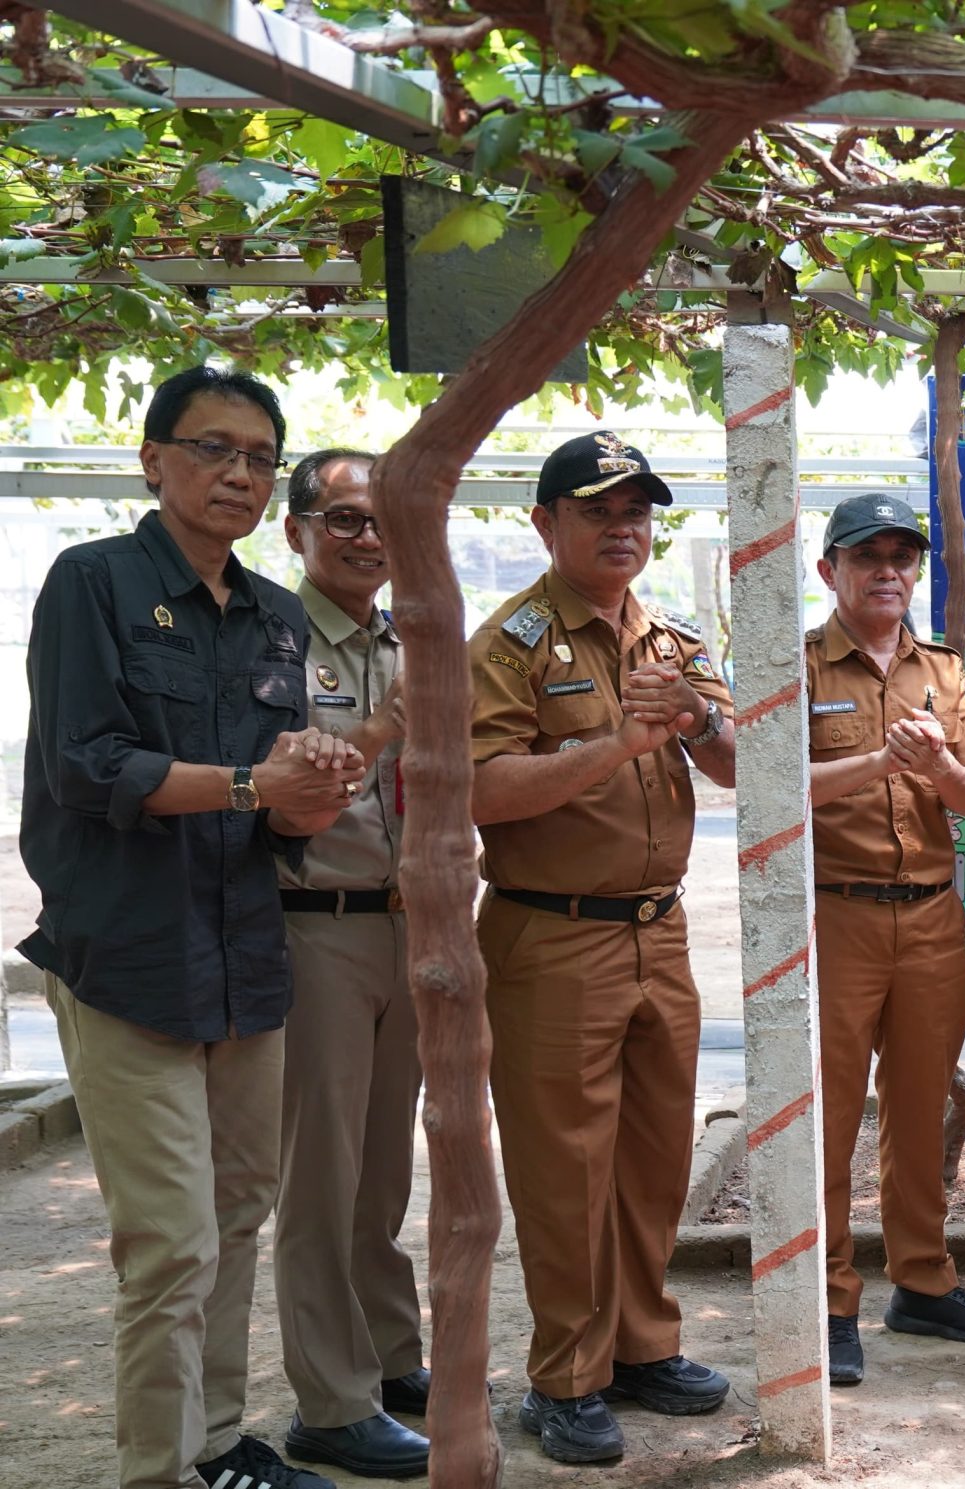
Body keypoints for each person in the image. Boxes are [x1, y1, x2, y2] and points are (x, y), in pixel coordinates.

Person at [21, 366, 365, 1489]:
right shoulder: (94, 583)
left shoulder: (275, 615)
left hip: (244, 957)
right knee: (170, 1241)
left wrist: (313, 786)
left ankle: (217, 1447)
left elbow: (278, 808)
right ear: (153, 460)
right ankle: (157, 1472)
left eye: (259, 458)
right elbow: (87, 767)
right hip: (127, 960)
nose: (239, 474)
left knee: (238, 1210)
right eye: (213, 448)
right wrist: (255, 786)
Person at [468, 432, 738, 1464]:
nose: (623, 529)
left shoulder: (673, 639)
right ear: (546, 524)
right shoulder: (511, 644)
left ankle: (641, 1345)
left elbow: (733, 763)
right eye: (597, 511)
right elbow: (482, 788)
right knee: (564, 1169)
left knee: (655, 1155)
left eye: (637, 512)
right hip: (552, 934)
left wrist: (695, 724)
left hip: (658, 931)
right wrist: (616, 742)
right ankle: (565, 1377)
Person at [801, 493, 965, 1387]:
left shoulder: (944, 672)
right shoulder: (798, 665)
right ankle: (828, 1298)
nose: (888, 572)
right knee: (829, 1114)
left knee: (919, 1106)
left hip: (929, 913)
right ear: (829, 570)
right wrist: (880, 761)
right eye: (867, 557)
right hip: (835, 914)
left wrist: (939, 765)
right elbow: (773, 786)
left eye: (902, 558)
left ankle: (922, 1279)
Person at [267, 450, 436, 1480]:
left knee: (383, 1169)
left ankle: (390, 1356)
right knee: (321, 1177)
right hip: (315, 924)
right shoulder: (269, 641)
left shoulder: (407, 637)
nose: (367, 538)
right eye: (343, 519)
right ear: (296, 531)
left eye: (381, 521)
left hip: (406, 925)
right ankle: (330, 1403)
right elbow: (285, 795)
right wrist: (383, 728)